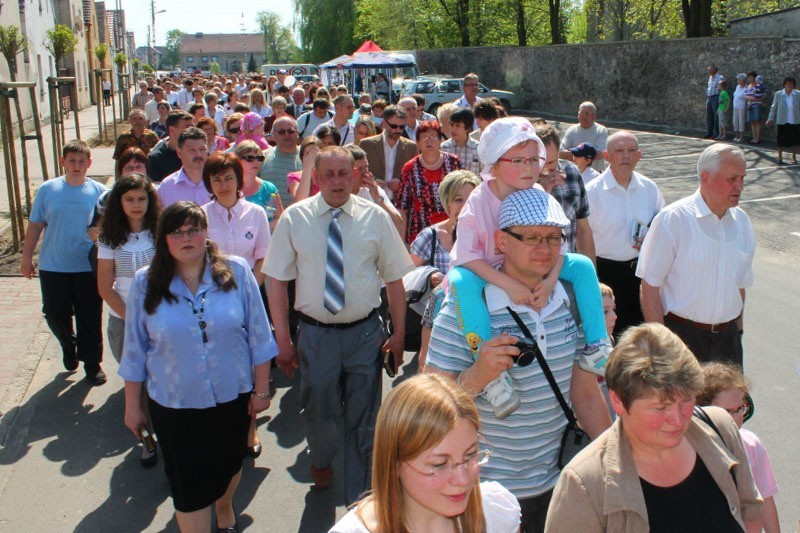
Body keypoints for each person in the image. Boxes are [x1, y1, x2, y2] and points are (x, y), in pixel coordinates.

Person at [426, 187, 611, 532]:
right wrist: (478, 376)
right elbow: (428, 406)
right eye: (530, 237)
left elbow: (585, 394)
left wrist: (614, 462)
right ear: (501, 242)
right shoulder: (463, 312)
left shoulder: (571, 299)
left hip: (561, 483)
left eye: (554, 237)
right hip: (483, 492)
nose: (545, 248)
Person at [263, 146, 414, 504]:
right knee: (319, 410)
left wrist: (396, 334)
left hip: (364, 333)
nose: (336, 181)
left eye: (343, 174)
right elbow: (276, 281)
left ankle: (361, 499)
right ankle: (321, 458)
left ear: (355, 176)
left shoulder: (374, 218)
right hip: (315, 335)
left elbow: (395, 280)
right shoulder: (295, 219)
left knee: (365, 416)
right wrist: (282, 340)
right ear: (315, 177)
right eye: (328, 174)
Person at [120, 202, 278, 532]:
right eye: (176, 232)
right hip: (175, 403)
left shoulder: (236, 272)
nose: (186, 238)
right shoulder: (145, 284)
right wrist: (132, 407)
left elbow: (260, 336)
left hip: (232, 396)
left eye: (193, 229)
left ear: (206, 233)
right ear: (163, 239)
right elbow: (134, 352)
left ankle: (224, 507)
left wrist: (261, 390)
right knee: (188, 485)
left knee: (230, 464)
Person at [544, 323, 763, 532]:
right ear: (618, 401)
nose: (678, 420)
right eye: (661, 408)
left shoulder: (720, 428)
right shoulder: (583, 484)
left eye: (686, 400)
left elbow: (750, 510)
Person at [330, 374, 520, 533]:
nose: (463, 480)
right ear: (394, 462)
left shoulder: (495, 515)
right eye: (439, 464)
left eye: (470, 455)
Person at [637, 143, 754, 365]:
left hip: (727, 341)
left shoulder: (742, 222)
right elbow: (649, 287)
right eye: (732, 179)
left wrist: (738, 332)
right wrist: (662, 345)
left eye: (742, 178)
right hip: (682, 338)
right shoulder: (673, 219)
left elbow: (740, 284)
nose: (739, 186)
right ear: (706, 177)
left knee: (727, 402)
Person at [21, 139, 108, 385]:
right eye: (72, 161)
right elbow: (36, 225)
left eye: (82, 161)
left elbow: (107, 228)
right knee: (54, 313)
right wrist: (27, 258)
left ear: (89, 163)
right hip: (53, 265)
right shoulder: (48, 190)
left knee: (89, 315)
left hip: (87, 267)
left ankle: (92, 364)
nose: (77, 166)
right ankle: (68, 343)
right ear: (63, 162)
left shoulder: (99, 192)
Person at [96, 173, 159, 466]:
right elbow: (105, 287)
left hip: (160, 318)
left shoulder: (160, 232)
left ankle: (167, 433)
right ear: (119, 203)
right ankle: (146, 439)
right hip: (123, 321)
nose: (136, 205)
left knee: (160, 380)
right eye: (129, 199)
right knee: (136, 382)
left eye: (142, 199)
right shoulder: (109, 238)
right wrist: (131, 318)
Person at [585, 131, 665, 337]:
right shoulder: (592, 192)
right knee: (608, 336)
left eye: (631, 151)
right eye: (619, 151)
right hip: (605, 272)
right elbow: (582, 238)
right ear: (606, 156)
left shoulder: (649, 188)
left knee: (640, 336)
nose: (626, 156)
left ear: (639, 155)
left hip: (640, 273)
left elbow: (663, 229)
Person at [697, 362, 780, 533]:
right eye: (726, 412)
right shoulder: (689, 449)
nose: (735, 418)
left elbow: (765, 499)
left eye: (739, 409)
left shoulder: (751, 444)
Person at [413, 170, 480, 371]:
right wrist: (430, 274)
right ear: (446, 202)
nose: (466, 205)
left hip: (479, 325)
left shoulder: (490, 237)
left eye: (471, 199)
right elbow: (407, 274)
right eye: (458, 199)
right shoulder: (430, 236)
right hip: (441, 319)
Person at [395, 121, 461, 244]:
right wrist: (402, 242)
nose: (429, 141)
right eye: (424, 137)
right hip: (419, 233)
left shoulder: (453, 163)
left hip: (451, 232)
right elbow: (402, 207)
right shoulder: (409, 168)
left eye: (433, 137)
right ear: (418, 143)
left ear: (441, 141)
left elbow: (463, 197)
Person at [359, 105, 419, 201]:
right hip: (371, 201)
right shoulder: (366, 144)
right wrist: (371, 182)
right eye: (394, 126)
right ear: (384, 123)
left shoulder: (411, 147)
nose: (398, 130)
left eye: (401, 127)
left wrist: (401, 183)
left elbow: (415, 176)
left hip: (399, 203)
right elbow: (357, 173)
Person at [157, 127, 212, 208]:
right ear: (179, 153)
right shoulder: (167, 187)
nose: (198, 155)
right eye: (192, 150)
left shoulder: (218, 182)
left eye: (202, 149)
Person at [236, 140, 284, 231]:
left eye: (259, 158)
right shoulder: (231, 188)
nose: (256, 162)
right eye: (250, 158)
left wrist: (260, 229)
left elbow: (281, 218)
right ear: (238, 161)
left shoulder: (269, 189)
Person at [260, 115, 302, 206]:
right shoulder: (262, 157)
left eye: (290, 131)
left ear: (297, 133)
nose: (286, 134)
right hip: (271, 217)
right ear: (273, 135)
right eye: (282, 132)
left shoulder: (308, 157)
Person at [558, 102, 608, 171]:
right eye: (581, 113)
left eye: (587, 113)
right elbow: (561, 153)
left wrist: (574, 152)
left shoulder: (601, 131)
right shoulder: (571, 130)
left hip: (595, 174)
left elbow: (599, 154)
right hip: (575, 173)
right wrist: (587, 155)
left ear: (594, 116)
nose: (584, 116)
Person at [148, 110, 194, 183]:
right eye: (187, 128)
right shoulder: (156, 158)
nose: (192, 131)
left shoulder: (198, 152)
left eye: (193, 128)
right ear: (172, 130)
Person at [765, 75, 800, 165]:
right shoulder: (779, 94)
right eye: (788, 84)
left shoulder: (798, 94)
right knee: (780, 140)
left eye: (791, 84)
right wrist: (770, 118)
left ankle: (794, 157)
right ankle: (780, 157)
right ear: (784, 85)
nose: (789, 86)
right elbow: (774, 107)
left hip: (794, 120)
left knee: (795, 140)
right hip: (782, 120)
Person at [441, 108, 482, 175]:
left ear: (467, 128)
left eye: (458, 126)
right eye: (452, 125)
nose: (453, 129)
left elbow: (484, 174)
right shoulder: (444, 148)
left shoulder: (478, 148)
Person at [287, 136, 322, 202]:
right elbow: (299, 201)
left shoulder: (329, 176)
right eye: (307, 154)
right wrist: (308, 169)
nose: (311, 157)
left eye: (315, 154)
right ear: (302, 156)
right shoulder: (294, 177)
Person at [744, 72, 766, 145]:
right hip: (750, 106)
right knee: (752, 122)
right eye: (749, 77)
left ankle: (757, 139)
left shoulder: (759, 85)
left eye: (751, 77)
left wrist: (755, 99)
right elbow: (745, 96)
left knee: (757, 121)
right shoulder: (748, 86)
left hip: (757, 105)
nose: (750, 79)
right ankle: (753, 138)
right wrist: (752, 98)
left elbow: (763, 96)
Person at [704, 64, 724, 139]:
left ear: (715, 70)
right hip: (709, 98)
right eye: (708, 69)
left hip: (716, 97)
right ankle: (710, 132)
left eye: (710, 69)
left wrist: (720, 98)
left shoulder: (720, 77)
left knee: (716, 116)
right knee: (709, 116)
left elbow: (723, 87)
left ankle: (717, 133)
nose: (709, 71)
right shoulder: (710, 77)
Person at [733, 73, 748, 142]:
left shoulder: (746, 88)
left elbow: (745, 97)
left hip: (742, 106)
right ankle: (737, 135)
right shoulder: (737, 86)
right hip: (735, 106)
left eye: (739, 79)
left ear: (743, 80)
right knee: (735, 120)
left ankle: (742, 136)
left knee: (741, 121)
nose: (738, 80)